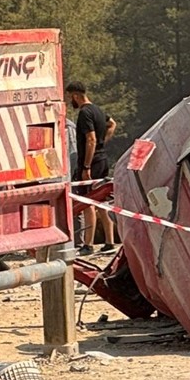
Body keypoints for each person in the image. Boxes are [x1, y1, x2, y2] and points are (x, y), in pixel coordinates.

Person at [65, 81, 118, 251]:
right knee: (101, 201)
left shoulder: (84, 113)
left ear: (75, 95)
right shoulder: (98, 110)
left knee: (88, 202)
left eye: (70, 97)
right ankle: (109, 242)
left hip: (91, 163)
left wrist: (86, 166)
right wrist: (103, 143)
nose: (70, 101)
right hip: (102, 160)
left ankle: (88, 244)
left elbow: (91, 139)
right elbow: (112, 124)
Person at [65, 115, 89, 254]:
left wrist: (72, 172)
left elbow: (73, 152)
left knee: (75, 207)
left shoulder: (68, 126)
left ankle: (78, 242)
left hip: (69, 173)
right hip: (62, 172)